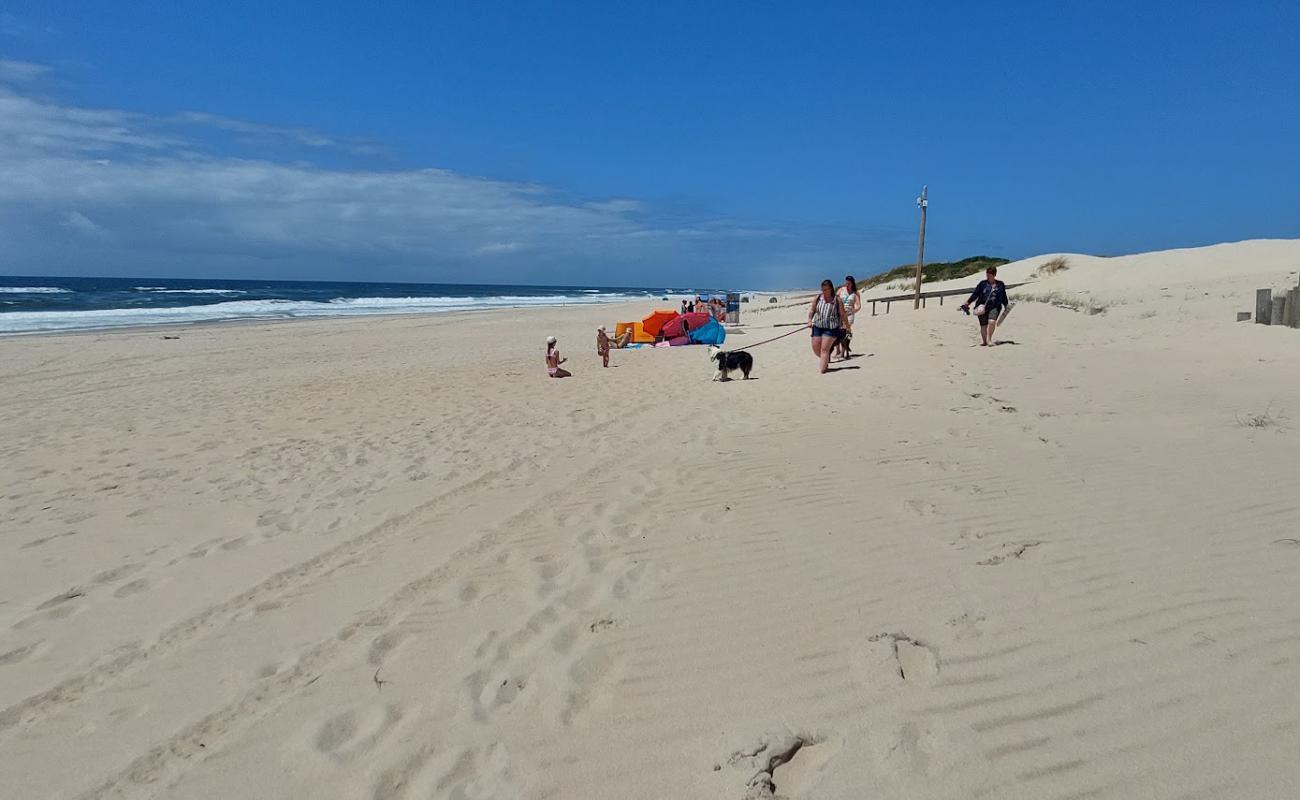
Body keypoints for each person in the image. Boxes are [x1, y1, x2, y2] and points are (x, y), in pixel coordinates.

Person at [960, 265, 1011, 346]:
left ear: (994, 275)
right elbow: (975, 294)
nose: (988, 276)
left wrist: (1006, 305)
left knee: (992, 321)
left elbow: (1003, 296)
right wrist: (968, 302)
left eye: (989, 275)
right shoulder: (982, 284)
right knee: (983, 325)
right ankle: (984, 341)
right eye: (987, 274)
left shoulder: (1000, 284)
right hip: (981, 307)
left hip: (995, 306)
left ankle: (989, 339)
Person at [807, 279, 849, 374]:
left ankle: (823, 368)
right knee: (816, 348)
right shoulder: (818, 298)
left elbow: (843, 314)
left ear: (831, 289)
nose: (824, 292)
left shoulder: (837, 299)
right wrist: (809, 320)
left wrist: (846, 326)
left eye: (826, 289)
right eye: (823, 290)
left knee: (824, 349)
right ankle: (825, 360)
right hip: (817, 326)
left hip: (831, 328)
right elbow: (812, 310)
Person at [835, 274, 861, 358]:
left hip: (849, 314)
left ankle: (843, 351)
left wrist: (854, 310)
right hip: (840, 313)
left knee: (846, 332)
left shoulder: (855, 293)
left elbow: (858, 305)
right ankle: (837, 350)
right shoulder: (841, 290)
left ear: (852, 284)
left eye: (849, 283)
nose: (847, 285)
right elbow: (835, 300)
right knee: (836, 331)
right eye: (846, 283)